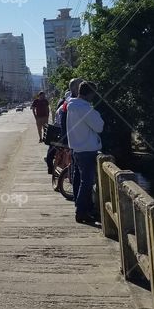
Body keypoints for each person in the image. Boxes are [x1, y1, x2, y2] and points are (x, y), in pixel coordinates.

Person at [66, 81, 104, 224]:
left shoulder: (72, 106)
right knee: (87, 183)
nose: (94, 97)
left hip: (77, 148)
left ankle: (86, 209)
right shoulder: (84, 108)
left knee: (82, 180)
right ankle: (81, 212)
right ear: (90, 93)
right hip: (87, 149)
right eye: (94, 94)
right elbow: (99, 126)